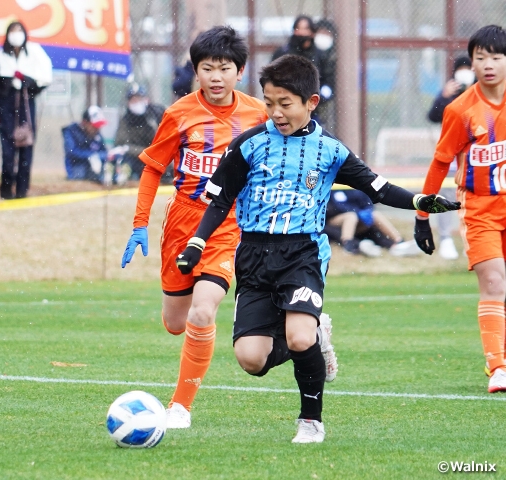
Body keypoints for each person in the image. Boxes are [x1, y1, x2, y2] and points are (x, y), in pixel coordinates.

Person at [175, 54, 459, 443]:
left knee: (298, 337)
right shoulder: (248, 145)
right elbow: (220, 201)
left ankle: (311, 420)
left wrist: (419, 202)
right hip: (254, 257)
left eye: (285, 104)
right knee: (251, 360)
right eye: (269, 102)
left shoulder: (330, 150)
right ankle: (314, 336)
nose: (275, 112)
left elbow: (377, 187)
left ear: (311, 102)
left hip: (302, 255)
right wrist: (196, 243)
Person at [120, 26, 270, 429]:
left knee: (203, 313)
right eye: (207, 69)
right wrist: (140, 225)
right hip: (182, 222)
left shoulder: (260, 114)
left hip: (229, 226)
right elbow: (153, 169)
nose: (216, 77)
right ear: (196, 71)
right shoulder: (179, 113)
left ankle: (180, 407)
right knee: (176, 323)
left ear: (240, 71)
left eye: (224, 68)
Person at [414, 25, 506, 393]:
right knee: (494, 280)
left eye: (496, 57)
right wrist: (422, 215)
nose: (488, 65)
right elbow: (440, 163)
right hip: (480, 209)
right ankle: (498, 367)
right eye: (480, 58)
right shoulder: (461, 109)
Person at [0, 21, 52, 199]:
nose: (16, 34)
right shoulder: (1, 53)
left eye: (19, 31)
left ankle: (22, 190)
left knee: (26, 145)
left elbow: (45, 75)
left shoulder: (34, 51)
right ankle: (6, 188)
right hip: (7, 103)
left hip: (27, 101)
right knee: (7, 148)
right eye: (13, 31)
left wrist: (29, 82)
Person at [424, 55, 474, 260]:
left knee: (472, 199)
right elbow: (433, 116)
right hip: (453, 157)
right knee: (446, 196)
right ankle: (445, 238)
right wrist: (444, 96)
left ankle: (472, 240)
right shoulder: (450, 94)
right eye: (460, 68)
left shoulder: (482, 92)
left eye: (468, 68)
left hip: (476, 159)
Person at [271, 15, 334, 126]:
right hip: (286, 109)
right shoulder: (283, 53)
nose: (301, 33)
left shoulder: (320, 55)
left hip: (312, 110)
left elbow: (328, 80)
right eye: (298, 29)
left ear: (312, 32)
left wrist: (322, 96)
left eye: (305, 29)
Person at [324, 189, 420, 257]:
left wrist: (367, 211)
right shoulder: (334, 185)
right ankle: (348, 244)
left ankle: (399, 241)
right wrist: (356, 212)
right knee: (351, 216)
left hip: (358, 222)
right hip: (335, 222)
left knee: (375, 215)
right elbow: (337, 206)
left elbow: (367, 202)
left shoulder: (356, 186)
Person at [112, 83, 166, 184]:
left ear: (146, 100)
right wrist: (135, 150)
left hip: (155, 157)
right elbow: (121, 144)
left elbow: (163, 143)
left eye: (139, 99)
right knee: (123, 163)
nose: (137, 103)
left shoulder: (155, 115)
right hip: (135, 158)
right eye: (133, 100)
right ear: (128, 102)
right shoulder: (126, 120)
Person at [62, 105, 108, 183]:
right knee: (80, 175)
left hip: (94, 168)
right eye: (94, 126)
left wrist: (102, 156)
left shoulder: (97, 135)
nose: (97, 129)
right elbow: (71, 151)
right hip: (76, 167)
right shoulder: (72, 131)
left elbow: (104, 151)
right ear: (85, 123)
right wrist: (90, 156)